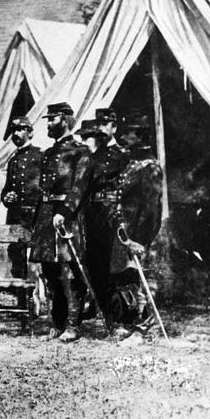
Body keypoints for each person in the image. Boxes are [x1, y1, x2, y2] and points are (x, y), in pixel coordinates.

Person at [28, 102, 92, 343]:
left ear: (66, 120)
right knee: (50, 272)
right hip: (47, 218)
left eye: (52, 119)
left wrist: (65, 212)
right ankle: (56, 322)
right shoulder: (48, 153)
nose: (48, 124)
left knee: (70, 273)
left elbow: (79, 187)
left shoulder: (80, 151)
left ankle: (73, 326)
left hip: (67, 220)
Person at [75, 110, 132, 336]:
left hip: (114, 216)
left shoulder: (122, 155)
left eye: (106, 124)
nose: (101, 129)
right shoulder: (92, 155)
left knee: (116, 269)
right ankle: (107, 319)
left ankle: (122, 320)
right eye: (98, 125)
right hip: (93, 215)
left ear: (114, 128)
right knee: (96, 267)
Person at [108, 112, 164, 335]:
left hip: (137, 234)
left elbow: (153, 210)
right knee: (125, 277)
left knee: (141, 279)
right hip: (123, 230)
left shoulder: (150, 167)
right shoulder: (130, 163)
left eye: (130, 132)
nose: (125, 136)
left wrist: (140, 240)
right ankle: (130, 322)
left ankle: (146, 328)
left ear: (140, 136)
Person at [1, 116, 42, 279]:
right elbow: (6, 190)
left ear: (30, 133)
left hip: (34, 216)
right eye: (13, 131)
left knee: (36, 259)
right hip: (15, 217)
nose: (15, 134)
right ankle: (20, 295)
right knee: (16, 256)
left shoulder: (40, 156)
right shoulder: (12, 161)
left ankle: (38, 296)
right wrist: (6, 198)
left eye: (20, 130)